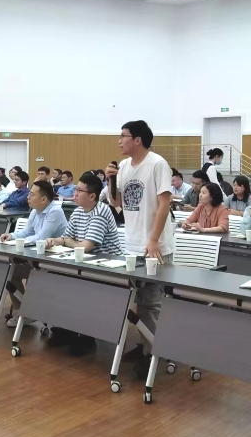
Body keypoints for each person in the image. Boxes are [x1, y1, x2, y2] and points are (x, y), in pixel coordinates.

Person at [106, 120, 174, 379]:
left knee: (152, 302)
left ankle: (154, 352)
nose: (119, 140)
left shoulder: (157, 164)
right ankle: (146, 345)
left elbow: (164, 204)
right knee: (139, 300)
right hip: (132, 243)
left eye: (123, 136)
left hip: (155, 245)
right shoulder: (124, 166)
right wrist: (111, 179)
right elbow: (117, 202)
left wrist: (154, 240)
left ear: (137, 140)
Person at [44, 172, 122, 355]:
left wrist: (69, 242)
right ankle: (67, 329)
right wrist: (53, 241)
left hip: (108, 267)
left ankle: (87, 336)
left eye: (79, 190)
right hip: (85, 263)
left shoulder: (101, 211)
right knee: (56, 278)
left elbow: (86, 247)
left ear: (92, 196)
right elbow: (66, 238)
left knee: (80, 286)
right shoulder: (79, 211)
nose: (75, 194)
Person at [1, 181, 68, 328]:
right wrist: (11, 236)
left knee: (15, 270)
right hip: (37, 258)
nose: (28, 197)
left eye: (32, 194)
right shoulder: (35, 210)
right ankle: (25, 312)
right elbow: (27, 232)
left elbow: (41, 238)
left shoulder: (55, 211)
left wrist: (20, 241)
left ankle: (30, 311)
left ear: (43, 199)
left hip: (54, 263)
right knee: (11, 271)